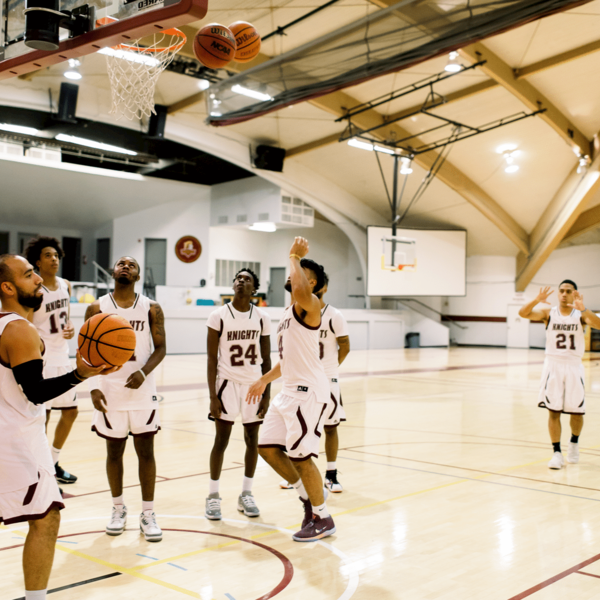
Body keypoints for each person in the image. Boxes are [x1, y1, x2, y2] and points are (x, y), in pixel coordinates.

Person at [0, 254, 115, 600]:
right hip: (14, 440)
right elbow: (35, 392)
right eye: (29, 273)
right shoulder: (18, 328)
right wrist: (82, 373)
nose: (38, 279)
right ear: (7, 287)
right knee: (46, 517)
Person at [247, 237, 336, 542]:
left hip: (307, 392)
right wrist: (264, 379)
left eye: (298, 270)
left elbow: (299, 289)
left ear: (312, 282)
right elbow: (287, 360)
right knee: (268, 448)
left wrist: (295, 256)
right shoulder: (288, 314)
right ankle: (308, 500)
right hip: (287, 390)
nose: (292, 272)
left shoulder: (310, 304)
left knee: (300, 455)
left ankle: (323, 518)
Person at [84, 256, 167, 542]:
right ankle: (118, 509)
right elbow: (85, 350)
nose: (125, 267)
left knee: (146, 452)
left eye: (131, 265)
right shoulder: (97, 307)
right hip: (110, 390)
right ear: (113, 271)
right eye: (121, 263)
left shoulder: (151, 308)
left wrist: (144, 373)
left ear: (138, 275)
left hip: (142, 391)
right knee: (114, 453)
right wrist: (94, 386)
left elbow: (161, 348)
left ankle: (148, 513)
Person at [205, 269, 272, 520]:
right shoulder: (218, 316)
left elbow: (267, 359)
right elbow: (212, 359)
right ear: (232, 285)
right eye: (238, 278)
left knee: (252, 438)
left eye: (247, 280)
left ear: (254, 289)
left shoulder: (262, 317)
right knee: (221, 440)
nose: (241, 282)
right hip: (227, 384)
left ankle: (246, 493)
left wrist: (266, 393)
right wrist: (213, 395)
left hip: (254, 385)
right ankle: (212, 496)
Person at [280, 272, 351, 492]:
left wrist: (328, 371)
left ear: (323, 287)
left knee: (331, 427)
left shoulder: (334, 315)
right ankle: (295, 473)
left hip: (326, 380)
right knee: (298, 427)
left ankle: (331, 474)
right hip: (300, 381)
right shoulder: (293, 313)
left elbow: (345, 346)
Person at [519, 280, 600, 469]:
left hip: (573, 366)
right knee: (553, 410)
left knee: (576, 411)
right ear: (558, 294)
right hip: (553, 366)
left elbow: (598, 324)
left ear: (574, 294)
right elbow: (522, 313)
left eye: (568, 291)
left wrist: (584, 309)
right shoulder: (549, 313)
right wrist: (536, 300)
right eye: (561, 291)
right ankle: (556, 453)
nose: (564, 294)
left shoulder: (580, 315)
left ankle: (574, 443)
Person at [24, 236, 78, 486]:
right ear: (37, 262)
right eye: (48, 255)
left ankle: (53, 462)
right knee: (42, 417)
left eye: (56, 255)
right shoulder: (34, 290)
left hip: (63, 356)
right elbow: (27, 323)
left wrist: (70, 330)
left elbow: (64, 318)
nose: (54, 259)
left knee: (70, 413)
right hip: (43, 359)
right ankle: (39, 466)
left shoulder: (66, 285)